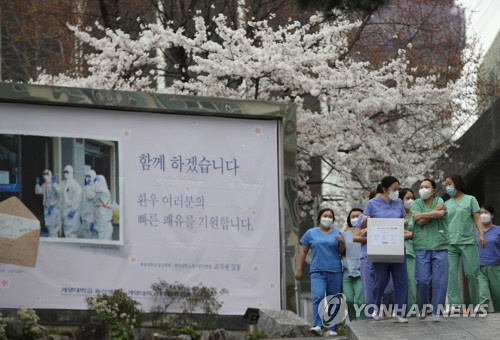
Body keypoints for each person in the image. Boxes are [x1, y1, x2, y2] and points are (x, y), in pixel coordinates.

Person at [354, 176, 409, 323]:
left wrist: (406, 222)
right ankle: (375, 307)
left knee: (401, 280)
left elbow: (404, 221)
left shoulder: (399, 203)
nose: (397, 192)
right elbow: (364, 221)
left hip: (397, 247)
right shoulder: (372, 204)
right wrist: (365, 222)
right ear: (385, 190)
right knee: (380, 281)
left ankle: (400, 313)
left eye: (398, 188)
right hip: (379, 248)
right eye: (394, 189)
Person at [295, 208, 345, 336]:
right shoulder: (310, 233)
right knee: (318, 296)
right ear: (319, 218)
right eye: (325, 215)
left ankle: (332, 328)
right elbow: (303, 252)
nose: (327, 218)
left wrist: (342, 242)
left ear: (333, 220)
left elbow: (342, 253)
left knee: (334, 299)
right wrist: (299, 269)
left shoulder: (338, 233)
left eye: (330, 216)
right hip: (317, 271)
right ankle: (317, 325)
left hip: (335, 270)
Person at [444, 174, 485, 310]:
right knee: (451, 274)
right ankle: (454, 304)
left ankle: (476, 302)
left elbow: (478, 218)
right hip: (450, 242)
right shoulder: (446, 204)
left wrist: (481, 234)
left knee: (471, 273)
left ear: (456, 183)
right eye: (446, 184)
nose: (447, 187)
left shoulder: (470, 200)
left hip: (468, 241)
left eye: (449, 183)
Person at [353, 188, 395, 318]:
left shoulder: (391, 215)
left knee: (389, 291)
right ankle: (370, 321)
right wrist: (370, 234)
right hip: (367, 257)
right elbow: (355, 237)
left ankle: (387, 315)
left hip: (386, 257)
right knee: (369, 296)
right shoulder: (363, 217)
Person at [411, 179, 449, 321]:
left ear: (433, 190)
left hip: (440, 245)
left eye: (426, 187)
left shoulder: (439, 199)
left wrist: (422, 214)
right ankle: (423, 308)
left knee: (439, 281)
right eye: (421, 187)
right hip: (422, 246)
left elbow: (440, 215)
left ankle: (437, 312)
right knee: (422, 280)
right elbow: (418, 221)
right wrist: (432, 212)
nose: (423, 189)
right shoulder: (416, 204)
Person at [341, 208, 365, 322]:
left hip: (362, 269)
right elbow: (336, 239)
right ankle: (354, 322)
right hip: (347, 270)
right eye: (353, 217)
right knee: (349, 299)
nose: (355, 218)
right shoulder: (345, 235)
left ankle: (361, 323)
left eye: (358, 216)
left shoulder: (367, 232)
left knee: (360, 301)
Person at [477, 205, 500, 312]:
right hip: (479, 267)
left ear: (492, 215)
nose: (483, 215)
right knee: (483, 294)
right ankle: (483, 313)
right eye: (480, 213)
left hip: (496, 268)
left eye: (486, 213)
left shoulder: (498, 230)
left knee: (498, 297)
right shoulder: (475, 232)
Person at [399, 188, 417, 316]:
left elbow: (419, 234)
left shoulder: (417, 214)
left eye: (412, 198)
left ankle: (413, 311)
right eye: (407, 198)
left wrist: (406, 233)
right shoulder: (395, 215)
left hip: (412, 252)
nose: (410, 201)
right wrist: (410, 234)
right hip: (397, 253)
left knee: (413, 283)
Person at [35, 170, 60, 237]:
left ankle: (54, 243)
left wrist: (52, 206)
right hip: (46, 207)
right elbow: (39, 192)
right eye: (44, 174)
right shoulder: (44, 185)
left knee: (53, 227)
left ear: (50, 175)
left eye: (47, 174)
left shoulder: (54, 184)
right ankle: (51, 242)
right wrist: (37, 184)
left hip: (53, 208)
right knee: (49, 226)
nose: (45, 176)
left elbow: (58, 194)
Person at [59, 165, 82, 238]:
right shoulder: (62, 183)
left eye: (67, 172)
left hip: (71, 212)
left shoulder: (75, 184)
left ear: (71, 173)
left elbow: (77, 198)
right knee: (66, 231)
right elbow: (58, 193)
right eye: (64, 172)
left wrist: (73, 210)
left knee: (71, 232)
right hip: (64, 211)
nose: (65, 174)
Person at [94, 175, 113, 240]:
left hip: (105, 225)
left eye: (97, 181)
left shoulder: (105, 192)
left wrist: (94, 182)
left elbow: (97, 189)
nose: (96, 183)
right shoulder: (98, 193)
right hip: (99, 223)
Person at [80, 169, 97, 239]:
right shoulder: (85, 188)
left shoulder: (95, 188)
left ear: (93, 177)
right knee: (85, 234)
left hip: (91, 215)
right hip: (83, 214)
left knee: (90, 234)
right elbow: (81, 201)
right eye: (86, 176)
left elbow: (91, 197)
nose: (87, 178)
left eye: (89, 177)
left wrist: (87, 187)